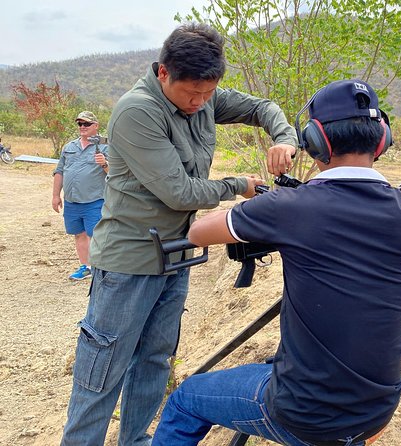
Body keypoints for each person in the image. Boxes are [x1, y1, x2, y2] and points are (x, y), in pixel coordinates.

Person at [152, 79, 401, 446]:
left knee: (185, 400)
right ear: (381, 140)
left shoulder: (291, 208)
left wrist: (255, 199)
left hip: (304, 414)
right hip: (377, 409)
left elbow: (200, 232)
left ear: (314, 141)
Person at [60, 22, 298, 446]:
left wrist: (284, 138)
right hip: (129, 263)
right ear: (164, 73)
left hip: (175, 257)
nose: (200, 103)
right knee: (102, 371)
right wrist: (237, 185)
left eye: (208, 94)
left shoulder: (202, 97)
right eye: (193, 94)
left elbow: (261, 107)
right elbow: (179, 192)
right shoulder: (137, 111)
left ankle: (134, 440)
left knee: (154, 362)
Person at [52, 111, 109, 280]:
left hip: (95, 199)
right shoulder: (69, 147)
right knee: (79, 234)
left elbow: (116, 174)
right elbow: (59, 171)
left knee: (96, 234)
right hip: (72, 201)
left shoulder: (106, 147)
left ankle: (100, 267)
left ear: (96, 126)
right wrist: (56, 195)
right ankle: (86, 267)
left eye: (87, 124)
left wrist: (105, 163)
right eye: (80, 124)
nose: (82, 127)